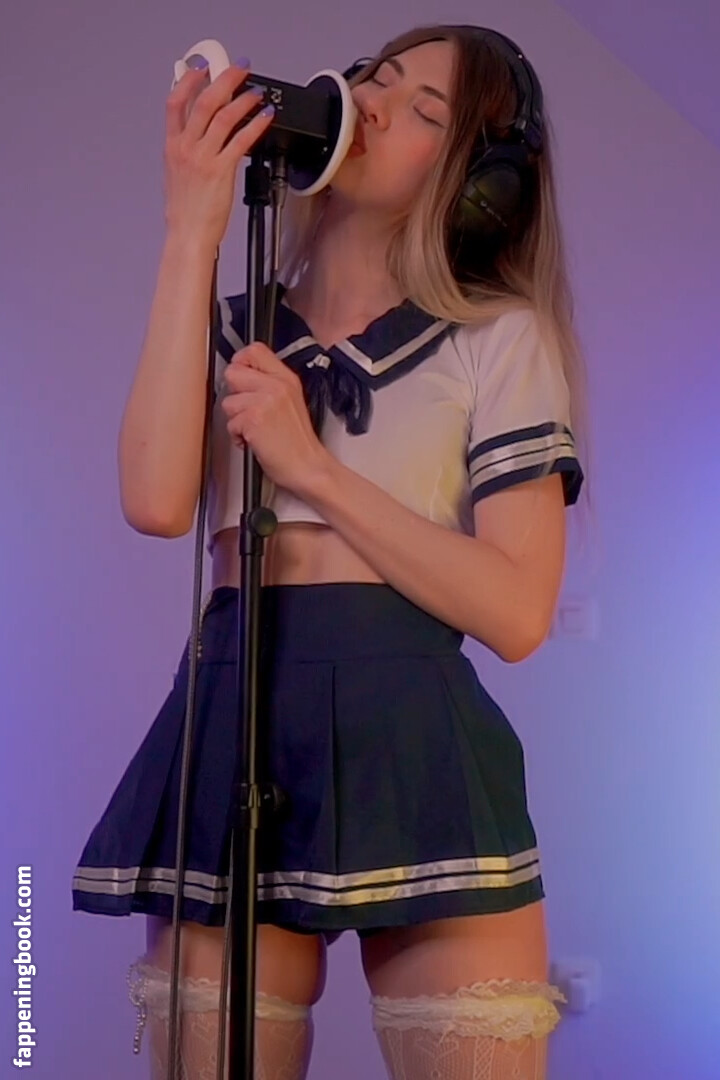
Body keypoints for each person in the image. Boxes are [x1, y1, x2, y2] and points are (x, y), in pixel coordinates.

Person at [72, 22, 587, 1080]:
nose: (379, 105)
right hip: (235, 709)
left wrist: (311, 468)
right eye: (376, 79)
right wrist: (192, 226)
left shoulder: (496, 337)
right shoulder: (234, 328)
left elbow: (517, 613)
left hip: (415, 734)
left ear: (477, 184)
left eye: (426, 110)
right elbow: (156, 504)